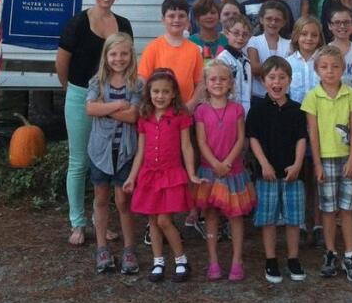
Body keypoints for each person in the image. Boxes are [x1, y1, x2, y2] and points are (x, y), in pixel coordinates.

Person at [55, 0, 133, 247]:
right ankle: (78, 222)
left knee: (111, 159)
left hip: (116, 97)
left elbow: (127, 61)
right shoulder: (77, 22)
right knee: (79, 162)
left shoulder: (123, 24)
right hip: (80, 97)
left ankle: (103, 221)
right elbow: (61, 62)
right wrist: (72, 90)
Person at [124, 69, 203, 281]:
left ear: (173, 94)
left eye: (165, 92)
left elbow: (186, 147)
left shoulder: (180, 116)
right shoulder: (145, 117)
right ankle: (158, 262)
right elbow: (140, 151)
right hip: (149, 176)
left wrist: (191, 173)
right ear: (149, 93)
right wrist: (132, 177)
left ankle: (181, 260)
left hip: (171, 175)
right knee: (152, 222)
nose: (160, 96)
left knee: (164, 220)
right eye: (155, 91)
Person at [301, 44, 352, 282]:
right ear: (317, 70)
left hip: (346, 158)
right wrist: (316, 163)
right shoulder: (312, 97)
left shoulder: (351, 94)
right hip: (325, 159)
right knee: (328, 210)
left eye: (335, 67)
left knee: (347, 209)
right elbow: (313, 133)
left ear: (343, 69)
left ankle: (350, 254)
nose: (330, 71)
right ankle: (330, 253)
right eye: (324, 67)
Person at [245, 55, 309, 284]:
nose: (277, 82)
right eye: (272, 77)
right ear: (263, 81)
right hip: (268, 174)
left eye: (282, 77)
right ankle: (271, 260)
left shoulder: (297, 109)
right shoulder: (258, 109)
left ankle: (293, 258)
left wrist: (298, 164)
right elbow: (253, 139)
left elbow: (302, 138)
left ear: (290, 80)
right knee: (268, 218)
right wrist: (264, 164)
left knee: (293, 219)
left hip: (293, 173)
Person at [192, 60, 256, 281]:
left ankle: (237, 261)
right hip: (210, 172)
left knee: (236, 216)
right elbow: (201, 141)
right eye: (213, 79)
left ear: (230, 83)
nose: (218, 83)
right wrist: (215, 164)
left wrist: (227, 162)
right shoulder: (201, 110)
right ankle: (213, 262)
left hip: (233, 171)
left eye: (223, 79)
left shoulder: (237, 109)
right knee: (211, 215)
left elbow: (240, 139)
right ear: (206, 83)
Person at [85, 33, 142, 275]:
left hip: (126, 151)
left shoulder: (137, 83)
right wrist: (119, 105)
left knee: (123, 201)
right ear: (106, 57)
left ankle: (129, 248)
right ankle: (102, 247)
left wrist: (104, 109)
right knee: (100, 199)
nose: (119, 59)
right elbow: (90, 108)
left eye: (124, 54)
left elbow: (133, 116)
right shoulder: (97, 82)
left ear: (131, 56)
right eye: (114, 54)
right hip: (100, 150)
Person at [287, 16, 324, 245]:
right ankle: (299, 222)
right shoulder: (288, 62)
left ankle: (319, 223)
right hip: (297, 123)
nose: (308, 39)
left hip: (321, 123)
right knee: (299, 174)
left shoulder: (325, 61)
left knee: (319, 175)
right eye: (304, 34)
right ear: (296, 36)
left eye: (313, 35)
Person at [138, 0, 204, 112]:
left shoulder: (194, 50)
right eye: (171, 16)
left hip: (184, 112)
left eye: (181, 16)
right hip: (158, 113)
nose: (176, 20)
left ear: (188, 20)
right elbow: (143, 80)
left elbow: (200, 83)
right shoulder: (153, 47)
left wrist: (190, 105)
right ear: (163, 19)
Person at [247, 0, 292, 98]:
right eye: (269, 19)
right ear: (261, 19)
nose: (273, 22)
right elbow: (254, 68)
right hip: (259, 96)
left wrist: (264, 69)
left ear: (283, 22)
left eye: (277, 19)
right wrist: (281, 71)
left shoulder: (289, 44)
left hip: (283, 95)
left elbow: (291, 70)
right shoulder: (253, 41)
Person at [325, 6, 352, 93]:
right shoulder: (324, 51)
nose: (342, 26)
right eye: (337, 22)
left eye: (346, 22)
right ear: (330, 25)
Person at [217, 15, 253, 114]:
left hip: (245, 111)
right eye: (236, 33)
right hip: (227, 110)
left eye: (245, 34)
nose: (240, 38)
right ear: (227, 33)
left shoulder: (246, 61)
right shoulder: (223, 59)